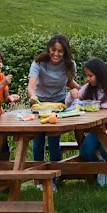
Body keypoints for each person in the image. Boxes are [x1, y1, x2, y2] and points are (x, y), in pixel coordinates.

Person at [27, 34, 81, 191]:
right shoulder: (39, 63)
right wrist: (33, 97)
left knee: (54, 141)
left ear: (65, 52)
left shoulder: (69, 65)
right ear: (48, 49)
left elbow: (71, 83)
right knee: (38, 140)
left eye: (60, 51)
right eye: (53, 50)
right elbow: (31, 85)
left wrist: (79, 91)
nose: (56, 54)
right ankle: (39, 178)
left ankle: (56, 177)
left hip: (58, 105)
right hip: (40, 104)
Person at [65, 58, 107, 188]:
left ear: (99, 74)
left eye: (91, 76)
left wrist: (98, 105)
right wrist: (73, 95)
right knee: (85, 151)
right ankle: (102, 168)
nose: (88, 79)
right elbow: (70, 102)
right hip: (95, 132)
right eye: (87, 76)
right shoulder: (88, 88)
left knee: (106, 149)